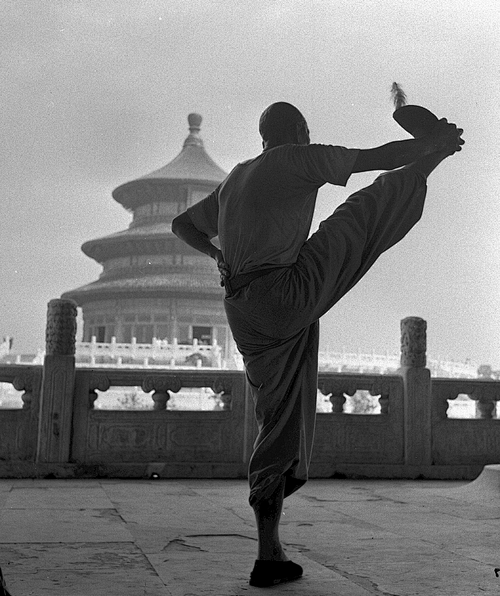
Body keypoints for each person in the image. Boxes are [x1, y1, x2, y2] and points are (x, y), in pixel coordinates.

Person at [171, 102, 464, 587]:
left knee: (277, 417)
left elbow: (183, 224)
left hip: (241, 306)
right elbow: (379, 156)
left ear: (261, 135)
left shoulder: (234, 180)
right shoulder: (295, 157)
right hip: (285, 292)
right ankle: (433, 164)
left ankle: (270, 553)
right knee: (358, 216)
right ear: (299, 132)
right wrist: (432, 147)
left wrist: (216, 253)